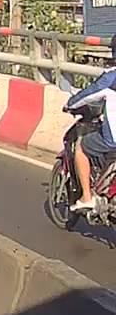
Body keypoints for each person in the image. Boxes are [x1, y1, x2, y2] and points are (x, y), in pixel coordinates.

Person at [62, 49, 116, 212]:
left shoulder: (111, 77)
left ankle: (86, 197)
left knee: (82, 148)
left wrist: (69, 105)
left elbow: (87, 95)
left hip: (113, 138)